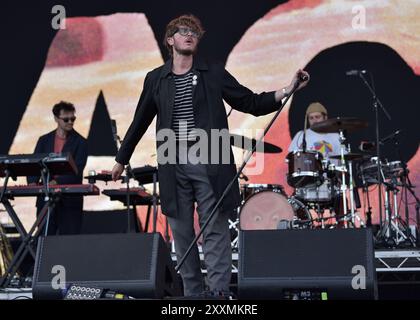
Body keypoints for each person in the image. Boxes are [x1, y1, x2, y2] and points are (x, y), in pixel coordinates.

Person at [111, 14, 309, 297]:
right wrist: (121, 159)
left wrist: (288, 89)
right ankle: (192, 295)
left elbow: (249, 101)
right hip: (172, 160)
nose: (189, 34)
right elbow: (140, 120)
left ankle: (217, 293)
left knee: (215, 230)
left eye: (194, 31)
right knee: (182, 234)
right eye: (182, 31)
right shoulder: (156, 79)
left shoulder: (213, 72)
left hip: (209, 158)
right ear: (170, 40)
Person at [27, 101, 88, 235]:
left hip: (70, 202)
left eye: (73, 119)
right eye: (66, 119)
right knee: (44, 240)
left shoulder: (81, 142)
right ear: (56, 118)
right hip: (46, 199)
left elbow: (77, 171)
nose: (70, 122)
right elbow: (33, 164)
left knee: (70, 243)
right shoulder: (44, 140)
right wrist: (32, 182)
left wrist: (56, 183)